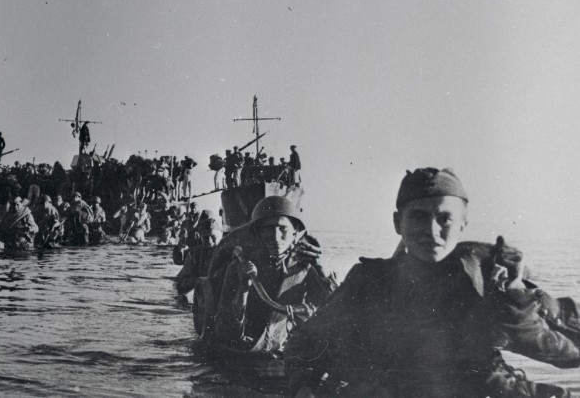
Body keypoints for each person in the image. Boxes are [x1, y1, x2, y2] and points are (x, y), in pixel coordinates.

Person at [285, 167, 580, 397]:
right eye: (418, 217)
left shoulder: (489, 275)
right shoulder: (370, 280)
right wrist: (305, 387)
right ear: (397, 223)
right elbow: (306, 342)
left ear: (464, 223)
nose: (431, 230)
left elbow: (565, 355)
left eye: (444, 218)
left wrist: (516, 297)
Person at [206, 196, 337, 354]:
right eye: (267, 229)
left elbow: (336, 317)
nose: (275, 237)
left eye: (283, 228)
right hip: (245, 356)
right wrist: (243, 289)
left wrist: (323, 270)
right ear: (257, 234)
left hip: (286, 355)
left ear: (295, 232)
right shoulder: (238, 268)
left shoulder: (307, 268)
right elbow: (224, 333)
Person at [175, 210, 223, 297]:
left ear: (221, 235)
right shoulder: (194, 255)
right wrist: (196, 281)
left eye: (213, 237)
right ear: (200, 236)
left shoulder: (228, 253)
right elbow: (181, 286)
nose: (209, 241)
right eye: (205, 237)